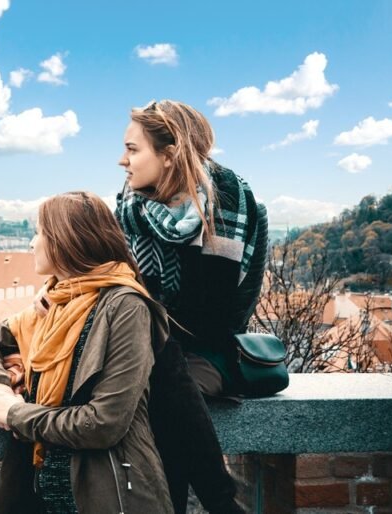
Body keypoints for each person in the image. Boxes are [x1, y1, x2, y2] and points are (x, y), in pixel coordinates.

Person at [0, 192, 173, 514]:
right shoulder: (55, 302)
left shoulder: (125, 307)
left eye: (40, 233)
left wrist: (15, 413)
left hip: (106, 495)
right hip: (35, 492)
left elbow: (105, 422)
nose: (32, 244)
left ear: (65, 241)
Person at [114, 99, 269, 513]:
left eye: (132, 149)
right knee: (156, 369)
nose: (121, 160)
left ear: (169, 155)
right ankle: (221, 503)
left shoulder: (225, 198)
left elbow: (212, 315)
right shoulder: (132, 206)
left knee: (160, 386)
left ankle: (215, 502)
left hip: (210, 349)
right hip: (157, 348)